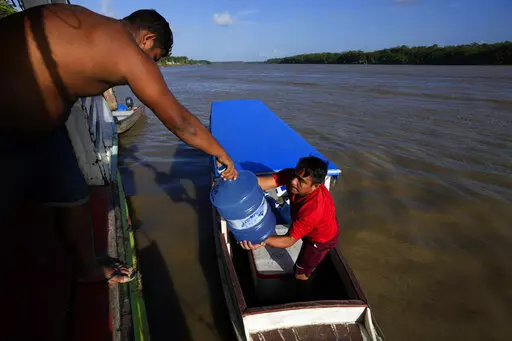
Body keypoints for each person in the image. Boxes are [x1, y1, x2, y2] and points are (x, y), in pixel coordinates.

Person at [0, 4, 237, 284]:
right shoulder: (129, 53)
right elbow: (181, 123)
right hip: (8, 129)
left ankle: (87, 267)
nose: (152, 65)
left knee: (73, 194)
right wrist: (222, 154)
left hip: (45, 133)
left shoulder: (82, 19)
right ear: (147, 39)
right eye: (155, 57)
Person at [239, 156, 339, 281]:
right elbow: (266, 182)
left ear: (316, 186)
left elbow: (288, 241)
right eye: (295, 175)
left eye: (301, 181)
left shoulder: (313, 210)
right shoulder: (293, 175)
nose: (293, 181)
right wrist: (238, 182)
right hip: (313, 222)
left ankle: (302, 290)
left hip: (320, 239)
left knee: (300, 273)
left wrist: (259, 239)